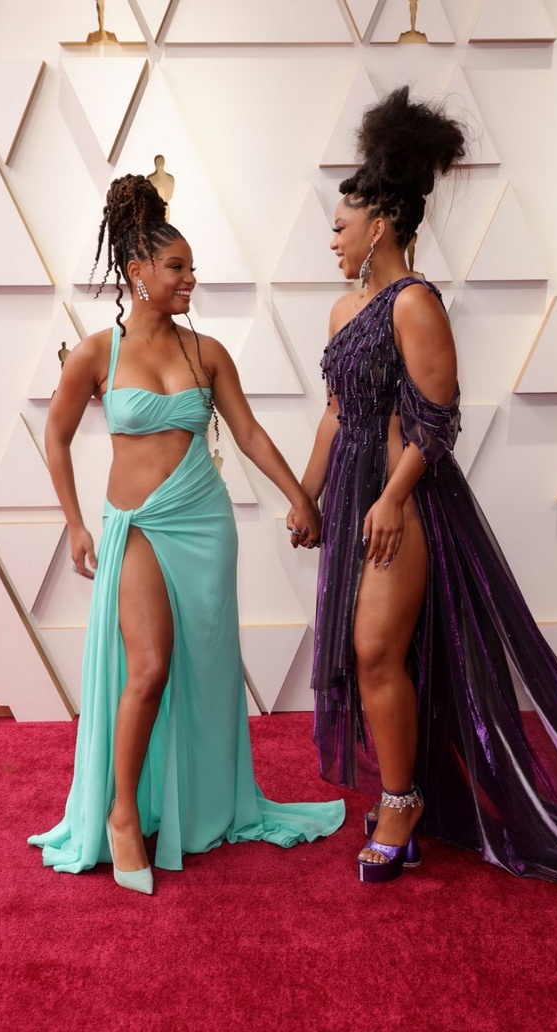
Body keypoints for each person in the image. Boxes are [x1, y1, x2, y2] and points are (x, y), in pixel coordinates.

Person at [289, 86, 557, 892]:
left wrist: (391, 497)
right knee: (372, 659)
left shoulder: (414, 304)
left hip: (403, 504)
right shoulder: (340, 311)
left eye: (339, 225)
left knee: (375, 652)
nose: (330, 240)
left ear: (380, 225)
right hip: (355, 498)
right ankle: (406, 792)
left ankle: (400, 805)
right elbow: (336, 414)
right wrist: (306, 495)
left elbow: (438, 422)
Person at [29, 174, 344, 894]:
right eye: (177, 267)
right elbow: (56, 437)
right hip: (138, 524)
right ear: (137, 272)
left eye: (192, 268)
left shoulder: (208, 352)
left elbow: (248, 433)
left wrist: (301, 497)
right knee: (148, 669)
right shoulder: (96, 354)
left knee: (203, 669)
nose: (190, 279)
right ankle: (120, 816)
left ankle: (195, 803)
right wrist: (75, 522)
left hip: (205, 522)